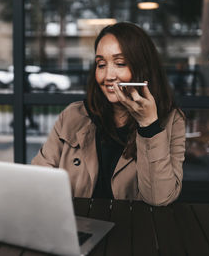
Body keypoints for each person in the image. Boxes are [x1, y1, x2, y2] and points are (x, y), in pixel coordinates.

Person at [32, 22, 186, 206]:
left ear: (143, 67)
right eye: (101, 64)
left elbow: (159, 198)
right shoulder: (74, 115)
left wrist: (149, 126)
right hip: (78, 227)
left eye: (120, 63)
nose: (108, 76)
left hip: (133, 230)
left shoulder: (171, 120)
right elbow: (37, 178)